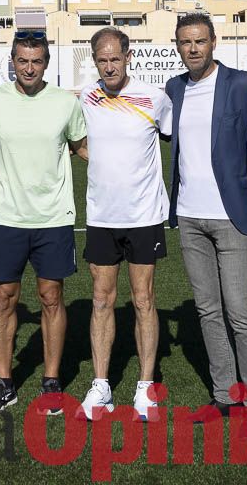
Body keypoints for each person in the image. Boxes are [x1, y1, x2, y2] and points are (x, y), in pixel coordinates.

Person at [0, 30, 87, 415]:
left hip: (53, 217)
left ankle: (51, 381)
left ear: (47, 64)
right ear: (12, 61)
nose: (29, 68)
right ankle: (5, 382)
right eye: (22, 60)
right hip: (5, 216)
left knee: (51, 296)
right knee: (4, 298)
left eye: (36, 61)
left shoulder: (65, 103)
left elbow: (80, 146)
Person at [165, 13, 247, 426]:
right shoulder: (174, 88)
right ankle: (224, 395)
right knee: (208, 311)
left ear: (214, 42)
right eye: (185, 42)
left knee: (241, 313)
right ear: (177, 46)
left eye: (199, 41)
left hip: (231, 216)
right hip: (189, 217)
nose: (193, 48)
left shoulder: (241, 84)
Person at [74, 28, 173, 422]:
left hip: (144, 216)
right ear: (94, 60)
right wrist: (100, 166)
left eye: (116, 58)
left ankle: (145, 388)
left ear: (128, 56)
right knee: (101, 299)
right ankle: (101, 386)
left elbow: (174, 139)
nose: (110, 65)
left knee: (144, 299)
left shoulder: (155, 98)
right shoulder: (86, 97)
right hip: (101, 216)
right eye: (103, 59)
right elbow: (74, 141)